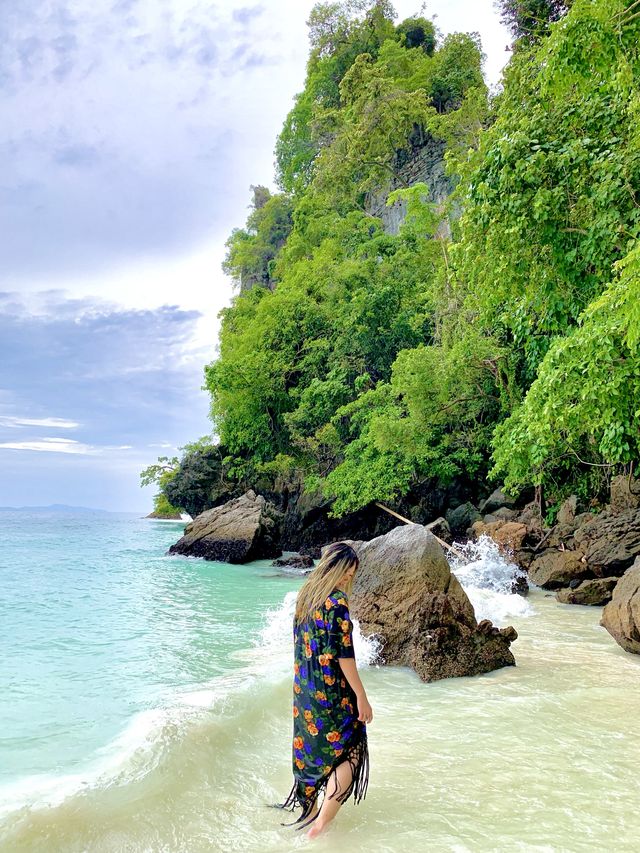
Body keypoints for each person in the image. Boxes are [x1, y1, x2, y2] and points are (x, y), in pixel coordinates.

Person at [278, 541, 372, 838]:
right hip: (333, 691)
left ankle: (310, 810)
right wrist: (361, 696)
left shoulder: (305, 598)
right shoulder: (337, 603)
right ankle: (321, 824)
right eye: (348, 574)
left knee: (314, 750)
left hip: (305, 690)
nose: (348, 581)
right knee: (350, 749)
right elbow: (344, 655)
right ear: (339, 570)